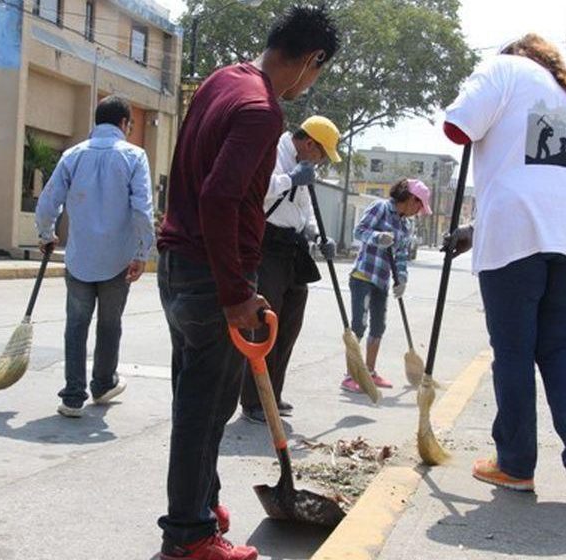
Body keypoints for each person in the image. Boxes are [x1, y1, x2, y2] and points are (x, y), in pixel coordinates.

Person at [155, 6, 339, 560]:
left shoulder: (222, 80)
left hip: (179, 264)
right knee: (203, 408)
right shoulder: (263, 111)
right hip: (211, 275)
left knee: (198, 400)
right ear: (313, 60)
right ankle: (188, 538)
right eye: (318, 72)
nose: (312, 82)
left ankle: (202, 506)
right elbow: (219, 197)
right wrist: (235, 290)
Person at [442, 33, 566, 502]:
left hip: (519, 231)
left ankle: (515, 465)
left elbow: (458, 126)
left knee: (514, 349)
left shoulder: (503, 69)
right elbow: (540, 173)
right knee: (560, 347)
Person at [35, 95, 154, 419]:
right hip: (119, 259)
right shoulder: (135, 156)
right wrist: (143, 252)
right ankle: (102, 384)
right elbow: (142, 209)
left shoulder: (72, 156)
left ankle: (73, 395)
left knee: (76, 325)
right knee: (109, 324)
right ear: (124, 124)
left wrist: (46, 235)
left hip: (80, 257)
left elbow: (48, 202)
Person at [240, 116, 342, 425]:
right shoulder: (273, 152)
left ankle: (274, 392)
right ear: (309, 143)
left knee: (289, 324)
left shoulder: (303, 166)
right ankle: (254, 400)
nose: (321, 161)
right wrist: (290, 179)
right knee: (264, 324)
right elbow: (259, 190)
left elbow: (304, 209)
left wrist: (318, 235)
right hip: (266, 245)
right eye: (322, 154)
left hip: (293, 248)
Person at [342, 179, 432, 393]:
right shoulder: (380, 208)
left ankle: (369, 373)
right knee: (359, 325)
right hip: (363, 275)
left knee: (378, 327)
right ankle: (351, 376)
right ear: (412, 199)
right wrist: (377, 237)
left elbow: (401, 255)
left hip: (381, 281)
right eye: (419, 205)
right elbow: (359, 231)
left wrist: (402, 279)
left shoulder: (406, 224)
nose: (419, 211)